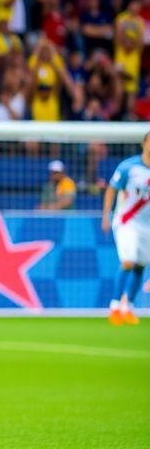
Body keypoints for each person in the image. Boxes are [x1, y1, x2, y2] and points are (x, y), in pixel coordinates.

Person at [102, 132, 150, 326]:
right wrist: (106, 214)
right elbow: (112, 188)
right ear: (144, 143)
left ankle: (127, 306)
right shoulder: (128, 167)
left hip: (147, 226)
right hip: (126, 222)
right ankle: (114, 307)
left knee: (141, 265)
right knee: (128, 261)